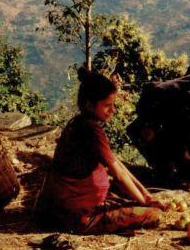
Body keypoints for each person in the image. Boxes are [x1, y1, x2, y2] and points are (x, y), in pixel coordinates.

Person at [45, 67, 164, 235]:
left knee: (132, 198)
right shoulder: (91, 131)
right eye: (107, 105)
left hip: (66, 205)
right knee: (154, 216)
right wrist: (146, 204)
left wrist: (146, 196)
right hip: (80, 215)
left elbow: (118, 165)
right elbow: (119, 175)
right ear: (89, 105)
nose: (112, 111)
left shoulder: (78, 123)